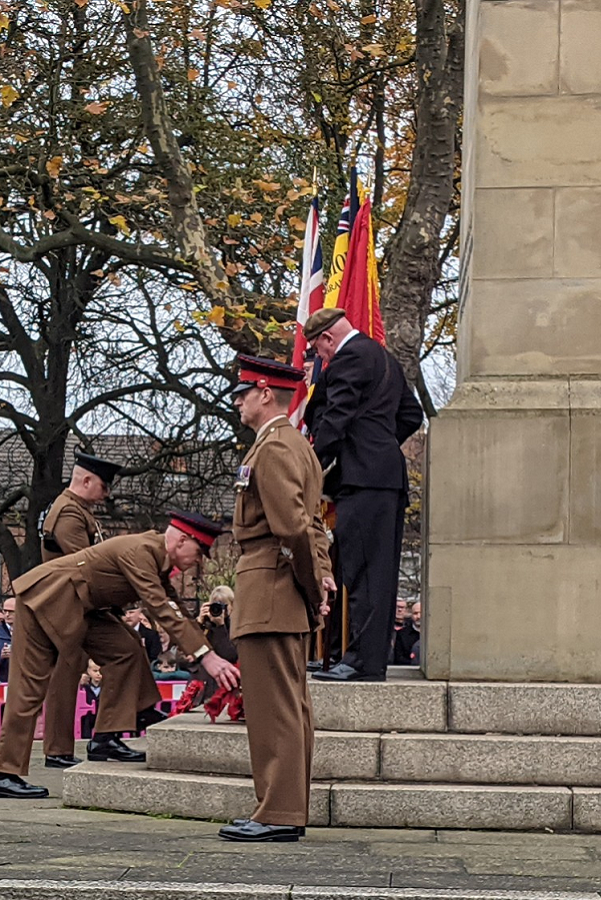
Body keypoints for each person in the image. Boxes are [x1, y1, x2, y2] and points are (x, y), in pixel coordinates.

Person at [0, 513, 241, 799]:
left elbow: (177, 610)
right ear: (182, 540)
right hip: (46, 600)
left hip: (83, 607)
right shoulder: (142, 552)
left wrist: (204, 644)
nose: (198, 561)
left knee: (127, 650)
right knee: (29, 688)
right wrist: (206, 657)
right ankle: (3, 774)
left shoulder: (155, 559)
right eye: (199, 553)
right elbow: (158, 606)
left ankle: (106, 736)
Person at [217, 354, 336, 843]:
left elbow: (291, 527)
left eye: (244, 392)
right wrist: (320, 580)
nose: (239, 401)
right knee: (288, 705)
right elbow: (312, 527)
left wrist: (312, 588)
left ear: (267, 393)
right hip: (282, 586)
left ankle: (279, 812)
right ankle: (282, 807)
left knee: (274, 709)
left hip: (271, 586)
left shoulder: (273, 448)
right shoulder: (296, 446)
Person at [303, 308, 424, 682]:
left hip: (363, 480)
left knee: (362, 575)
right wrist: (381, 446)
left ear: (327, 339)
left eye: (318, 351)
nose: (320, 360)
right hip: (385, 477)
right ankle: (367, 658)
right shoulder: (384, 358)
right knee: (379, 573)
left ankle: (361, 662)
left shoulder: (349, 358)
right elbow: (411, 415)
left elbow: (336, 417)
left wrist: (307, 468)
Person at [36, 450, 162, 770]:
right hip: (69, 605)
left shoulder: (79, 511)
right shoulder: (68, 514)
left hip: (81, 605)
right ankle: (67, 747)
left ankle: (110, 731)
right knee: (71, 674)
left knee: (126, 648)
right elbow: (86, 566)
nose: (107, 493)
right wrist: (117, 595)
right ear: (87, 480)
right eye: (104, 486)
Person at [189, 586, 239, 701]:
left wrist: (220, 627)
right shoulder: (203, 625)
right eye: (215, 605)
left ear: (232, 607)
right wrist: (198, 624)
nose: (218, 610)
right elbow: (182, 657)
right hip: (199, 691)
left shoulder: (235, 628)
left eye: (223, 605)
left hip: (223, 692)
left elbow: (231, 656)